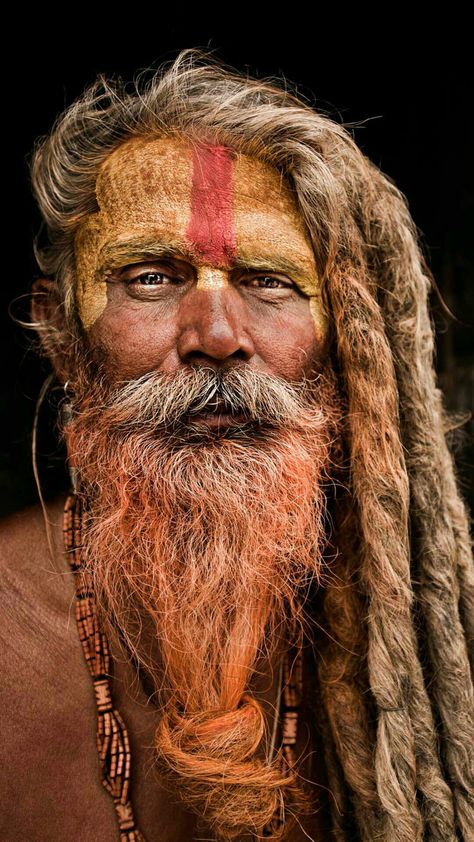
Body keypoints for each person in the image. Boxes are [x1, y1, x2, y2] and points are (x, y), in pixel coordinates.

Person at [1, 47, 472, 842]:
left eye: (268, 279)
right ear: (58, 332)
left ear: (347, 338)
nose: (217, 336)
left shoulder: (422, 634)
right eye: (149, 277)